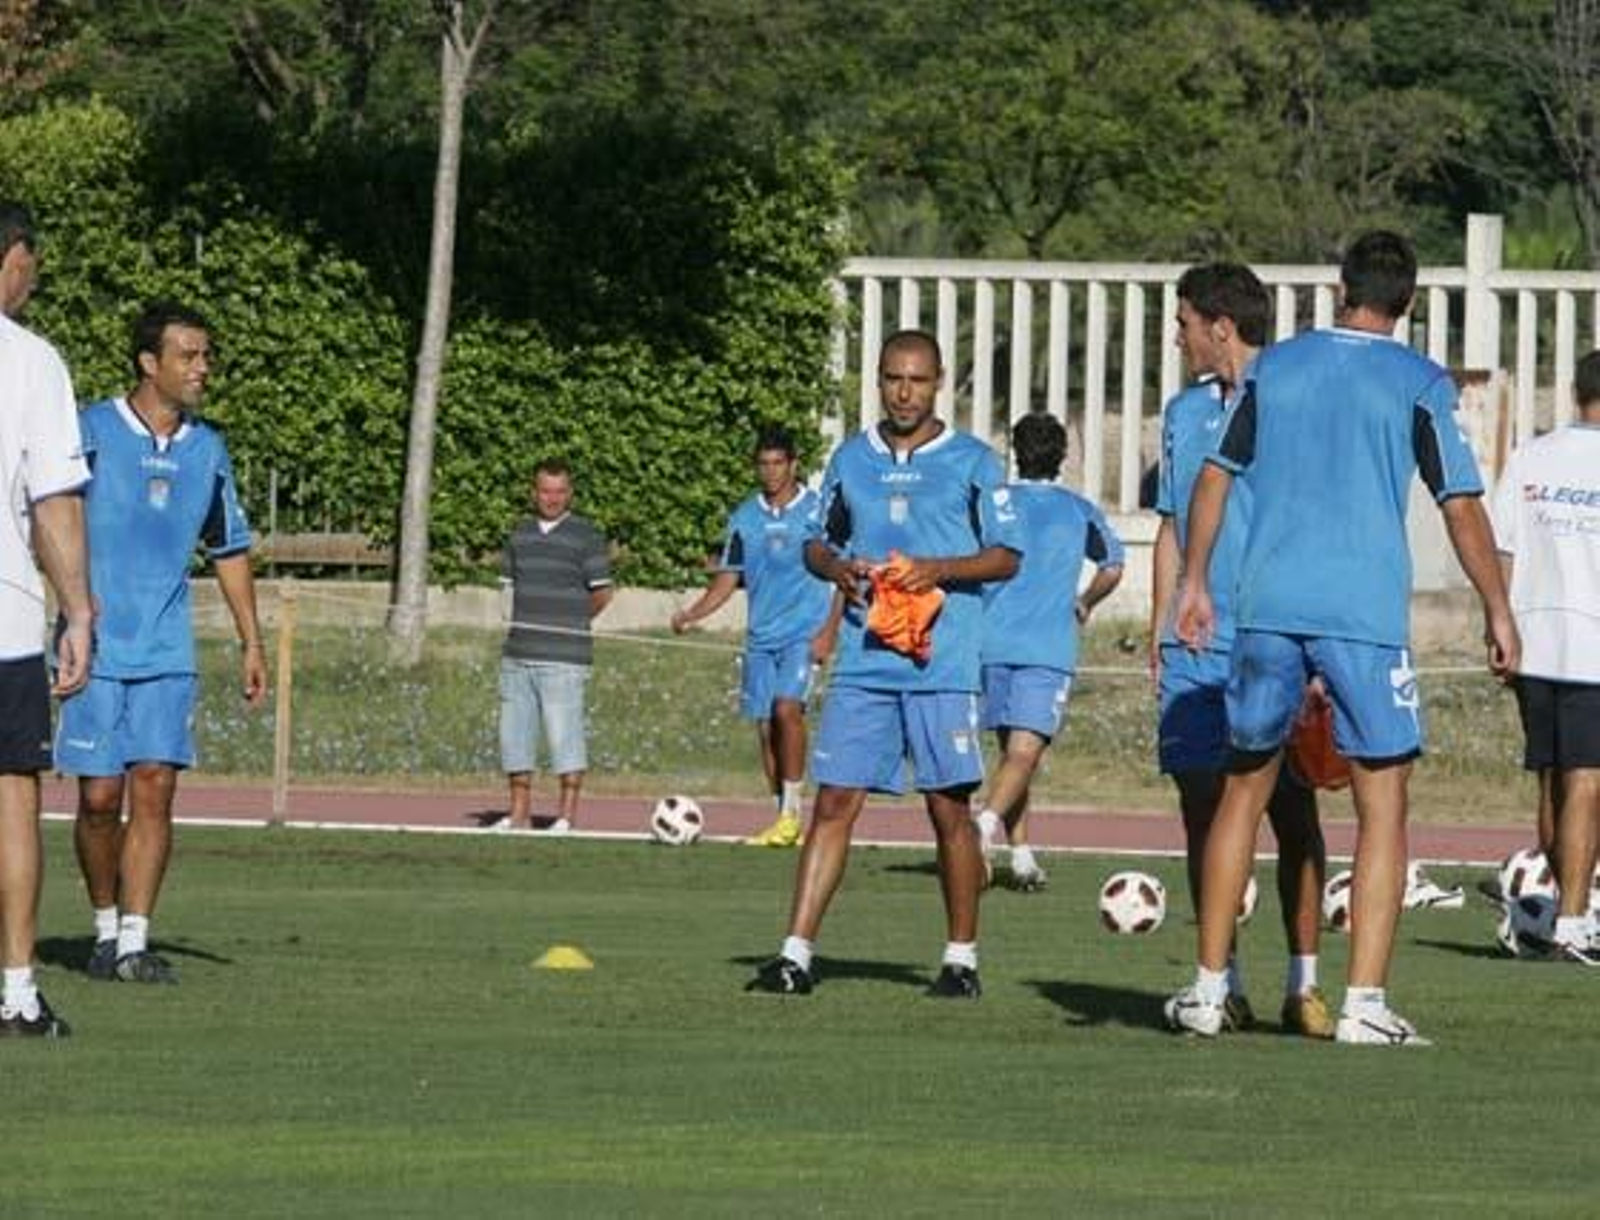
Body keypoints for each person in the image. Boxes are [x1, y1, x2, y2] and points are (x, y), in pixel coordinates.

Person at [1165, 231, 1519, 1046]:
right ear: (1411, 302)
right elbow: (1458, 501)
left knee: (1242, 790)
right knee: (1382, 804)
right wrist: (1497, 608)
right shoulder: (1418, 381)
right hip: (1362, 616)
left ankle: (1210, 989)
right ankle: (1363, 1003)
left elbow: (1218, 475)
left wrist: (1193, 584)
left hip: (1268, 606)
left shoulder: (1275, 368)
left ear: (1338, 288)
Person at [747, 328, 1023, 999]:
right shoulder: (851, 459)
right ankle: (795, 955)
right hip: (867, 661)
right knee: (834, 801)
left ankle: (961, 961)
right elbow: (818, 542)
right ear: (878, 380)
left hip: (942, 662)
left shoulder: (974, 463)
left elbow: (1006, 555)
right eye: (893, 379)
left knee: (947, 810)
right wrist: (836, 568)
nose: (904, 392)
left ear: (938, 384)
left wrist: (939, 570)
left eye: (918, 380)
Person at [59, 300, 267, 986]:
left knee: (154, 787)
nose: (202, 367)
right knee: (97, 798)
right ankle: (103, 924)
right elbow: (45, 514)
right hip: (93, 645)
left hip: (166, 650)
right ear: (150, 363)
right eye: (189, 355)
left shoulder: (208, 449)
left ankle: (134, 941)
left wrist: (251, 641)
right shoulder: (88, 430)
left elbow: (229, 547)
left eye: (206, 355)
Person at [1150, 263, 1333, 1037]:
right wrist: (1163, 626)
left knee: (1290, 811)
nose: (1178, 335)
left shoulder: (1292, 404)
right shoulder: (1182, 413)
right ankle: (1218, 981)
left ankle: (1306, 983)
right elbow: (1171, 523)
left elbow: (1319, 521)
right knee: (1202, 808)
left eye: (1184, 321)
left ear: (1220, 325)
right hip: (1195, 642)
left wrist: (1319, 647)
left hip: (1275, 635)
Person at [0, 203, 92, 1036]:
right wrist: (79, 614)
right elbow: (55, 504)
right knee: (12, 799)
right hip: (3, 619)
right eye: (30, 258)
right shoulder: (31, 361)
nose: (33, 274)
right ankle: (16, 990)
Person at [973, 413, 1123, 891]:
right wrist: (1086, 601)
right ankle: (983, 826)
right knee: (1023, 756)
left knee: (1012, 758)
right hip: (1047, 646)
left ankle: (1020, 857)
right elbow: (1113, 566)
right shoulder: (1078, 510)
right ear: (1062, 456)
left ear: (1015, 453)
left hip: (991, 642)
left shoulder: (995, 504)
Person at [671, 426, 838, 847]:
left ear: (794, 464)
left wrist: (828, 633)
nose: (771, 471)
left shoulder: (818, 511)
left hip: (803, 634)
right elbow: (728, 579)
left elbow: (842, 574)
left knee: (787, 710)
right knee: (766, 730)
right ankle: (784, 819)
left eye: (778, 462)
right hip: (761, 639)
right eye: (763, 464)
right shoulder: (745, 517)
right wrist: (692, 614)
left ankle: (793, 814)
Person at [1490, 348, 1600, 964]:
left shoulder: (1532, 457)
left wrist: (1498, 623)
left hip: (1532, 639)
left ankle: (1570, 908)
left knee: (1552, 778)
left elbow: (1502, 549)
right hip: (1591, 646)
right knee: (1587, 778)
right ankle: (1575, 922)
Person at [498, 457, 613, 834]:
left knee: (565, 736)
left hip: (564, 658)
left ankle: (566, 815)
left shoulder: (586, 535)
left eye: (559, 491)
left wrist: (572, 624)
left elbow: (602, 594)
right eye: (545, 491)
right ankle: (518, 814)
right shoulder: (519, 534)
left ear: (570, 493)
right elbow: (507, 588)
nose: (552, 498)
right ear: (535, 492)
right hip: (518, 655)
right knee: (515, 735)